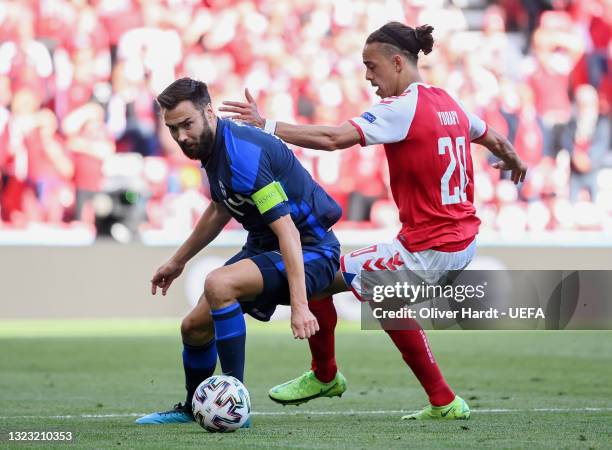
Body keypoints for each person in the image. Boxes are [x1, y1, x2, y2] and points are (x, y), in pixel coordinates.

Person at [220, 22, 527, 420]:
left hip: (429, 247)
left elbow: (334, 139)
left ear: (398, 62)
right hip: (461, 240)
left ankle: (329, 376)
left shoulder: (401, 108)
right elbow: (494, 139)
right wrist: (515, 160)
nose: (368, 77)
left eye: (371, 66)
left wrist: (268, 126)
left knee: (321, 272)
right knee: (381, 295)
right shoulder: (448, 102)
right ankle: (438, 400)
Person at [135, 77, 344, 425]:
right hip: (267, 248)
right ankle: (194, 407)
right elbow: (220, 208)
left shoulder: (242, 154)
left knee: (219, 284)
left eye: (187, 124)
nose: (181, 136)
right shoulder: (214, 150)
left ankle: (235, 406)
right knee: (194, 329)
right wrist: (177, 261)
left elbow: (288, 231)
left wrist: (300, 306)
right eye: (173, 129)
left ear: (209, 112)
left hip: (311, 249)